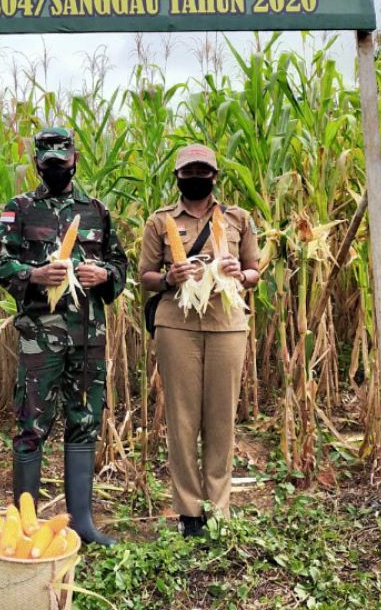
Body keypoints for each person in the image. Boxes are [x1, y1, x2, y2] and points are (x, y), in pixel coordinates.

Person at [0, 127, 128, 546]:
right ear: (37, 164)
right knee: (31, 425)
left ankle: (81, 523)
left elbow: (120, 265)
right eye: (47, 163)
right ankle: (26, 527)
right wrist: (33, 275)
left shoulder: (97, 211)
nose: (55, 168)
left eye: (62, 162)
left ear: (75, 161)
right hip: (39, 339)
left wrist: (105, 275)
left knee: (84, 421)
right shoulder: (20, 208)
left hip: (87, 336)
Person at [138, 143, 261, 536]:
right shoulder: (160, 222)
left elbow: (255, 270)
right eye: (187, 172)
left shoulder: (238, 218)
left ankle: (218, 507)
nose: (195, 178)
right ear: (177, 177)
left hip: (227, 323)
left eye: (202, 171)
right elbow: (145, 277)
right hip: (177, 324)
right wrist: (171, 278)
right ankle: (189, 511)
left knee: (221, 417)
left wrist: (238, 275)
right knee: (182, 417)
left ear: (214, 176)